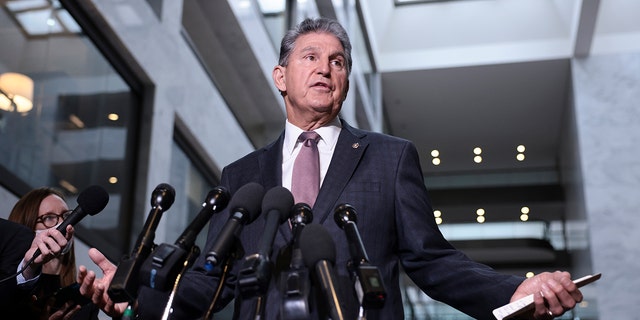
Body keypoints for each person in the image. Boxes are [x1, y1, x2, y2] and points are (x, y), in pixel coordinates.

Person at [79, 17, 584, 319]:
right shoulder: (241, 177)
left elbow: (431, 260)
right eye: (311, 56)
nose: (325, 68)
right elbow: (215, 282)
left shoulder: (390, 157)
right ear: (281, 75)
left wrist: (512, 290)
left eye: (338, 61)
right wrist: (135, 299)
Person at [9, 187, 98, 319]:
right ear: (27, 226)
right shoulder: (10, 287)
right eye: (49, 217)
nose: (62, 223)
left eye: (67, 216)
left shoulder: (82, 300)